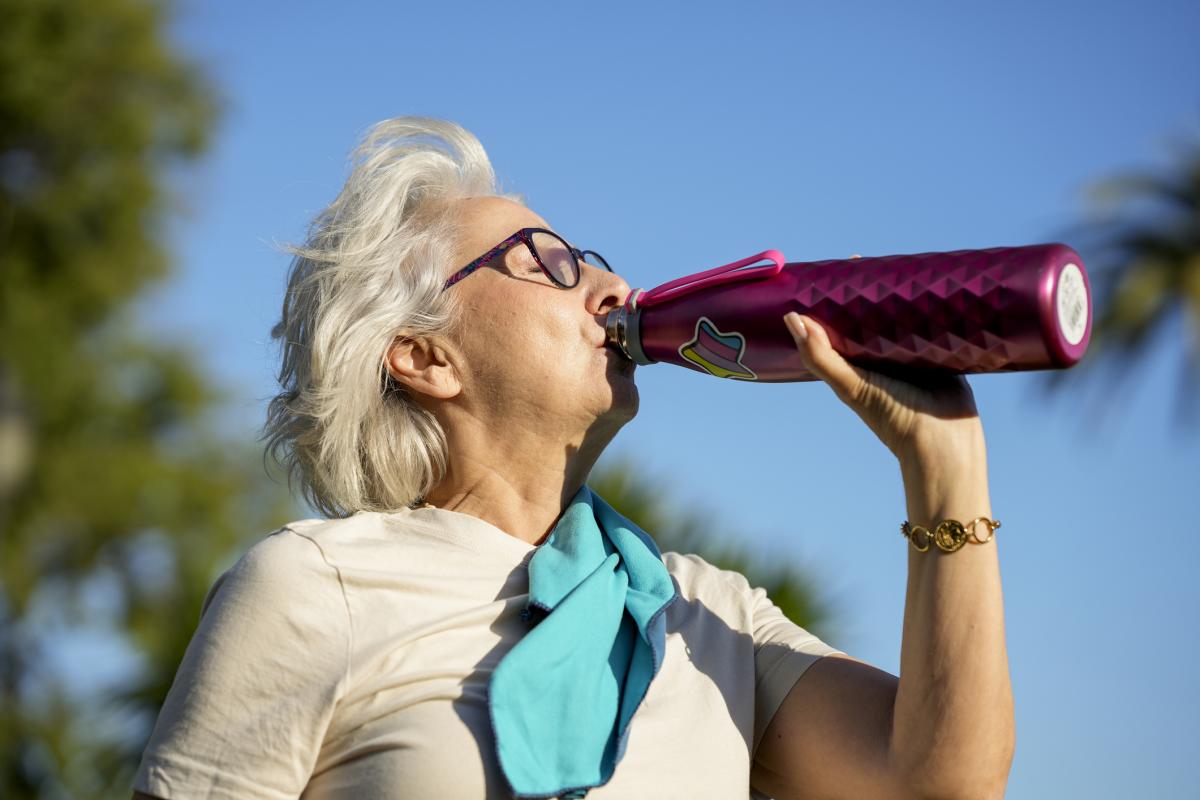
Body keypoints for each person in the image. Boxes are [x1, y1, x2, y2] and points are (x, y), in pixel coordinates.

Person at [132, 117, 1015, 800]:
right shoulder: (312, 586)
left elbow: (936, 780)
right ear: (424, 355)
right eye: (547, 263)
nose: (616, 289)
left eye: (590, 258)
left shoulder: (706, 615)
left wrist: (946, 465)